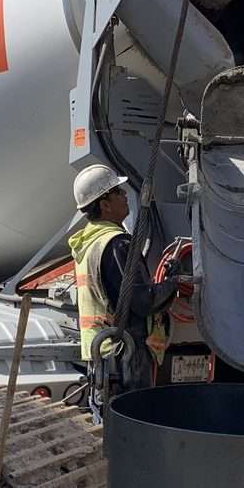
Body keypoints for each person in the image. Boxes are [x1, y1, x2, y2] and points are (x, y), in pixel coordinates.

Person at [67, 164, 176, 405]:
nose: (125, 194)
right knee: (132, 419)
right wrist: (172, 283)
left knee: (109, 419)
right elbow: (142, 301)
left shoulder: (89, 243)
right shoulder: (117, 244)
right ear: (105, 205)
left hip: (101, 352)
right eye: (118, 191)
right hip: (124, 354)